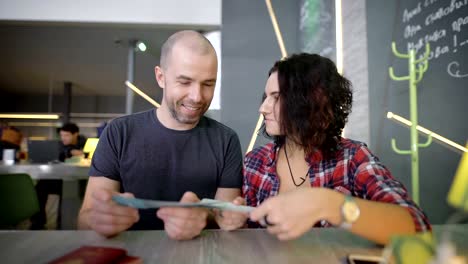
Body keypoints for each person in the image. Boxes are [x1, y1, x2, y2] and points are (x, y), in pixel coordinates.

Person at [243, 53, 431, 245]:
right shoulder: (254, 162)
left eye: (276, 97)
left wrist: (328, 203)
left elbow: (417, 227)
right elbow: (244, 237)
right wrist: (233, 220)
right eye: (266, 97)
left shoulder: (352, 158)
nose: (263, 108)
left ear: (312, 101)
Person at [78, 30, 246, 240]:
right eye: (185, 82)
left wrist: (206, 217)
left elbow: (225, 215)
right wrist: (100, 219)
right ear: (161, 77)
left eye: (208, 84)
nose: (197, 96)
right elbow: (84, 221)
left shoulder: (226, 140)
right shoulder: (118, 133)